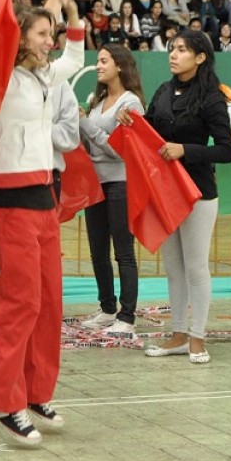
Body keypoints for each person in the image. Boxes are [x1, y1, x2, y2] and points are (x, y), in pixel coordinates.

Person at [0, 0, 81, 447]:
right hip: (7, 204)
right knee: (18, 302)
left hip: (43, 201)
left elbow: (74, 52)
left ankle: (35, 390)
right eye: (40, 35)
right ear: (19, 39)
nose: (49, 41)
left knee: (49, 303)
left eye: (50, 35)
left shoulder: (44, 77)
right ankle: (2, 398)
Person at [124, 30, 231, 363]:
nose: (173, 54)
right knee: (173, 267)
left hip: (199, 194)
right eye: (172, 49)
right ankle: (178, 334)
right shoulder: (162, 91)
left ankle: (198, 337)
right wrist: (132, 121)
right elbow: (151, 130)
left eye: (182, 50)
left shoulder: (212, 98)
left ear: (200, 58)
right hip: (165, 193)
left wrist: (185, 150)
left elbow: (227, 151)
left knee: (196, 268)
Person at [78, 43, 144, 337]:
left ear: (120, 65)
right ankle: (107, 309)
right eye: (97, 60)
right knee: (98, 252)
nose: (98, 65)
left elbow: (121, 152)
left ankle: (127, 315)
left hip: (120, 182)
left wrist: (87, 126)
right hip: (95, 184)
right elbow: (93, 143)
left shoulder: (131, 104)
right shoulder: (97, 101)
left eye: (104, 60)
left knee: (123, 251)